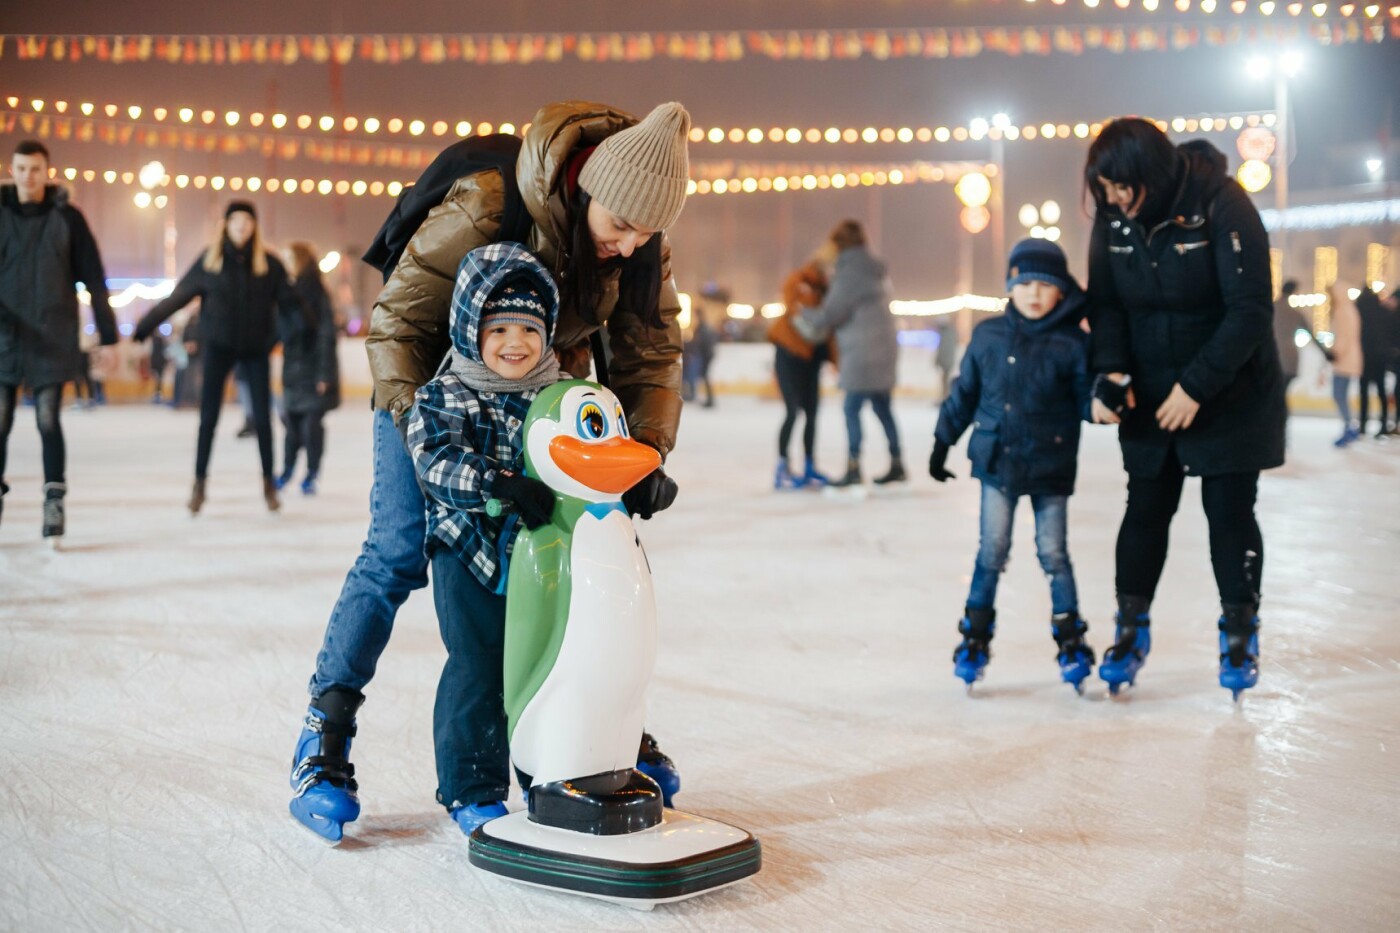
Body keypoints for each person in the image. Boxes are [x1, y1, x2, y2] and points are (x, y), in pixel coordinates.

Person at [287, 101, 692, 845]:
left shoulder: (639, 245)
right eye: (620, 225)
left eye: (644, 232)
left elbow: (651, 354)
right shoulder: (489, 203)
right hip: (426, 384)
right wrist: (429, 438)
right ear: (588, 189)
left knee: (568, 545)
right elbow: (397, 323)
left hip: (537, 390)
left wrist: (645, 458)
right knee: (400, 548)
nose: (629, 243)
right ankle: (325, 736)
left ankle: (595, 734)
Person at [1084, 117, 1285, 699]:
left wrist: (1196, 386)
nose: (1115, 200)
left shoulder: (1222, 204)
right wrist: (1113, 372)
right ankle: (1129, 630)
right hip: (1150, 392)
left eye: (1124, 187)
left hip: (1229, 392)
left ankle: (1240, 633)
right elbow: (1107, 303)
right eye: (1105, 190)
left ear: (1151, 172)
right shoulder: (1114, 217)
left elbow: (1249, 309)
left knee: (1228, 510)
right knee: (1145, 508)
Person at [404, 243, 563, 833]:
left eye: (528, 326)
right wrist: (498, 481)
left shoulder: (562, 394)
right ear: (471, 329)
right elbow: (435, 462)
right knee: (478, 666)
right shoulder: (445, 394)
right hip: (467, 551)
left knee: (542, 666)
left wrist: (640, 478)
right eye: (498, 327)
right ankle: (472, 785)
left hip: (540, 558)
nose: (515, 342)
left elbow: (594, 451)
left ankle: (551, 773)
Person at [929, 239, 1095, 691]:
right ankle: (974, 640)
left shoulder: (1074, 343)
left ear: (1062, 291)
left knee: (1054, 554)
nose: (1035, 294)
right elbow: (965, 394)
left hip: (1050, 463)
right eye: (1025, 283)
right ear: (1010, 286)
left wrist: (1102, 404)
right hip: (997, 460)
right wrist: (942, 441)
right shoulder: (988, 335)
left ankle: (1070, 641)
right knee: (991, 551)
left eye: (1045, 284)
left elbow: (1085, 400)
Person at [134, 201, 303, 515]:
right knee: (208, 419)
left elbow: (292, 307)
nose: (241, 225)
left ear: (254, 226)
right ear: (225, 225)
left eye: (247, 220)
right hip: (218, 347)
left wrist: (286, 335)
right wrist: (145, 325)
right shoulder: (209, 263)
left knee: (263, 421)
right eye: (235, 220)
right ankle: (199, 484)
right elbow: (178, 297)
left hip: (255, 350)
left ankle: (268, 485)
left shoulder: (268, 264)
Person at [0, 140, 116, 544]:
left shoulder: (68, 218)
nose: (28, 176)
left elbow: (94, 278)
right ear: (10, 170)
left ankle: (54, 498)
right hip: (5, 335)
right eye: (21, 168)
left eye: (35, 169)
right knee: (0, 420)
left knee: (47, 418)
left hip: (53, 333)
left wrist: (108, 333)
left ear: (46, 172)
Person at [795, 219, 904, 487]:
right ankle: (897, 463)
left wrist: (802, 311)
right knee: (883, 407)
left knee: (851, 407)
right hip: (885, 348)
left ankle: (854, 467)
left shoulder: (849, 271)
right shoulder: (874, 268)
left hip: (862, 351)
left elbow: (831, 314)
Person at [275, 242, 341, 495]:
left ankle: (312, 473)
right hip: (293, 370)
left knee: (312, 425)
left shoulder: (316, 292)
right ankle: (288, 469)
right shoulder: (288, 292)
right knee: (291, 425)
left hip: (314, 371)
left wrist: (324, 374)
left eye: (290, 258)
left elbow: (326, 334)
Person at [769, 253, 834, 489]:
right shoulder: (798, 281)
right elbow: (791, 304)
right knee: (792, 411)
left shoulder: (829, 294)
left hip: (812, 359)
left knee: (812, 413)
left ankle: (809, 465)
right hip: (789, 355)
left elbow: (830, 332)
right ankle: (782, 467)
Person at [1327, 284, 1364, 447]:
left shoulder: (1343, 312)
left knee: (1339, 394)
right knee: (1341, 394)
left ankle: (1349, 427)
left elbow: (1344, 338)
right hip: (1349, 359)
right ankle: (1349, 426)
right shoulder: (1350, 310)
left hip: (1344, 361)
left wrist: (1335, 353)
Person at [1354, 286, 1393, 437]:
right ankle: (1383, 423)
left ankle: (1363, 424)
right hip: (1380, 357)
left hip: (1364, 356)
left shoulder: (1359, 313)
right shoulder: (1384, 312)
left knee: (1363, 391)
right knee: (1381, 390)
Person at [681, 311, 718, 408]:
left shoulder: (702, 328)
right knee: (704, 377)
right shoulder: (704, 327)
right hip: (706, 355)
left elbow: (700, 343)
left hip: (705, 355)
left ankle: (709, 399)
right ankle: (709, 399)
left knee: (704, 376)